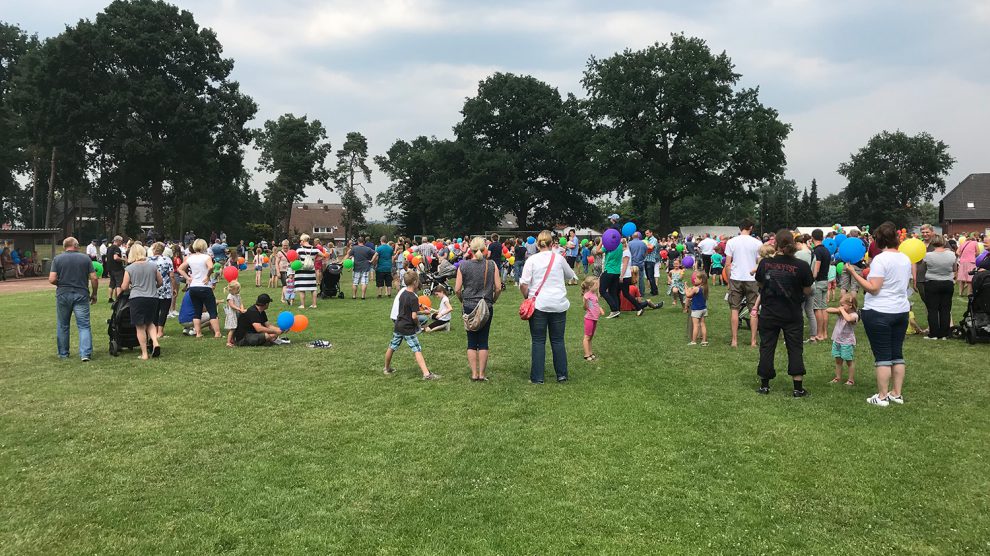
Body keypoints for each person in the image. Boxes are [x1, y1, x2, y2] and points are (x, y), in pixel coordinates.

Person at [846, 221, 912, 407]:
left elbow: (873, 288)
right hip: (900, 310)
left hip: (880, 311)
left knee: (883, 355)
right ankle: (896, 393)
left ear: (878, 240)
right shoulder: (905, 258)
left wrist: (854, 273)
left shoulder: (881, 260)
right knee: (897, 353)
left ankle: (882, 396)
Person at [753, 230, 813, 396]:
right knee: (795, 348)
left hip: (769, 311)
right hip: (792, 312)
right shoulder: (801, 266)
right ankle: (797, 388)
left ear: (776, 244)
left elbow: (759, 283)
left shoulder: (765, 264)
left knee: (767, 346)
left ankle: (765, 385)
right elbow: (807, 290)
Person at [520, 230, 577, 384]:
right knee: (558, 340)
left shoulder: (532, 260)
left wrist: (527, 297)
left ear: (537, 244)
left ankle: (538, 377)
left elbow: (524, 283)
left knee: (538, 341)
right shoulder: (558, 259)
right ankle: (562, 374)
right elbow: (570, 275)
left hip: (538, 304)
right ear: (552, 244)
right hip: (558, 303)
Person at [455, 237, 501, 381]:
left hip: (468, 305)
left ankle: (474, 374)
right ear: (484, 249)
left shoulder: (463, 265)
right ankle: (482, 374)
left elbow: (457, 289)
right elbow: (498, 287)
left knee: (471, 341)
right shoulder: (492, 264)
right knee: (483, 341)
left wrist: (462, 300)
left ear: (471, 249)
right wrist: (492, 299)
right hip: (485, 306)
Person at [49, 237, 99, 361]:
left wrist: (61, 283)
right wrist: (94, 294)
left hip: (63, 294)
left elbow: (51, 279)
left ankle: (63, 353)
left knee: (63, 325)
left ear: (65, 246)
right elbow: (94, 278)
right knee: (84, 325)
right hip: (81, 293)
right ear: (76, 245)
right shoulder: (85, 258)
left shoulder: (57, 259)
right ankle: (85, 353)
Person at [384, 272, 439, 379]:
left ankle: (386, 368)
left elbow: (406, 309)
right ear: (414, 282)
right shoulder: (413, 297)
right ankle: (426, 374)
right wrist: (418, 325)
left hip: (398, 325)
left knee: (392, 346)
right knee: (417, 349)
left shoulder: (402, 293)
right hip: (407, 328)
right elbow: (414, 316)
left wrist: (422, 310)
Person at [120, 243, 164, 360]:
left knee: (140, 326)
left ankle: (144, 353)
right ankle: (155, 342)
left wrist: (132, 286)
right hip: (153, 298)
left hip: (137, 298)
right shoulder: (153, 266)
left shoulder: (129, 268)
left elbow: (124, 287)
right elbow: (160, 282)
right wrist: (152, 286)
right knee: (150, 322)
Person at [725, 219, 763, 347]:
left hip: (736, 277)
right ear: (750, 227)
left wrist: (729, 281)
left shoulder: (731, 242)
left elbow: (728, 264)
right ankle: (753, 341)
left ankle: (734, 340)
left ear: (740, 227)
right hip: (752, 279)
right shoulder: (757, 243)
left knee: (734, 309)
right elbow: (760, 263)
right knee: (753, 310)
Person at [177, 239, 222, 338]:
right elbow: (211, 267)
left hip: (193, 287)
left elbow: (180, 269)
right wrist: (207, 276)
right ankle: (217, 333)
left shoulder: (190, 258)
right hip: (205, 286)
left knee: (197, 311)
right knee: (212, 310)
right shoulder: (206, 257)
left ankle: (198, 333)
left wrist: (188, 278)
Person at [922, 234, 956, 340]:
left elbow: (924, 268)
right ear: (944, 242)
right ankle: (944, 334)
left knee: (932, 309)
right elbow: (954, 268)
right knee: (945, 309)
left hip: (932, 282)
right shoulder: (951, 254)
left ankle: (934, 333)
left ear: (933, 243)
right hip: (947, 282)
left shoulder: (928, 255)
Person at [826, 293, 859, 385]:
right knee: (838, 360)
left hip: (847, 342)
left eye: (842, 305)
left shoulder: (854, 315)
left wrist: (842, 311)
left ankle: (851, 380)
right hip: (837, 340)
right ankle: (838, 377)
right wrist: (839, 309)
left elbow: (848, 319)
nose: (840, 307)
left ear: (850, 305)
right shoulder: (841, 312)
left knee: (849, 361)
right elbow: (828, 310)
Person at [148, 242, 176, 340]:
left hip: (152, 288)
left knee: (154, 311)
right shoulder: (167, 260)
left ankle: (154, 330)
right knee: (164, 311)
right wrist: (174, 288)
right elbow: (171, 275)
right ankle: (160, 331)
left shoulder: (148, 261)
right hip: (165, 288)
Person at [794, 234, 818, 343]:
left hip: (801, 286)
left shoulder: (798, 254)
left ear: (799, 243)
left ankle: (797, 335)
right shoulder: (813, 254)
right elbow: (813, 272)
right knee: (810, 312)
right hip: (812, 285)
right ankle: (813, 336)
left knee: (799, 311)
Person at [810, 229, 832, 342]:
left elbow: (816, 268)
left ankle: (819, 333)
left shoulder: (816, 251)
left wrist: (811, 278)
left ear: (812, 238)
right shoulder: (826, 250)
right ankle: (825, 333)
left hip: (818, 282)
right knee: (824, 308)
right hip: (825, 280)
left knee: (817, 308)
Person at [596, 235, 623, 319]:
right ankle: (616, 310)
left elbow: (597, 251)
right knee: (613, 292)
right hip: (617, 272)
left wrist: (601, 242)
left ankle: (614, 309)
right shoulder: (620, 245)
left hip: (609, 271)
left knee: (602, 290)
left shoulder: (608, 245)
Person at [581, 275, 604, 361]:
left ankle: (590, 352)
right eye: (596, 284)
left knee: (591, 337)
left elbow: (595, 304)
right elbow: (586, 307)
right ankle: (586, 354)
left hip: (595, 319)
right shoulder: (587, 295)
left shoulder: (594, 294)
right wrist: (585, 301)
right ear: (590, 286)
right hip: (589, 319)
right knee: (587, 337)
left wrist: (600, 309)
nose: (598, 286)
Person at [293, 234, 320, 308]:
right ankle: (314, 304)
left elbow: (295, 259)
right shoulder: (315, 249)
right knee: (313, 288)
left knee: (302, 288)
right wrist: (314, 260)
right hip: (311, 270)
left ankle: (302, 305)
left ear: (303, 241)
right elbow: (323, 256)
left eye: (301, 240)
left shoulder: (299, 250)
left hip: (301, 271)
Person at [686, 272, 708, 346]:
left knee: (696, 325)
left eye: (696, 278)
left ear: (701, 280)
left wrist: (686, 287)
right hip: (704, 309)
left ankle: (693, 341)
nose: (694, 279)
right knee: (703, 324)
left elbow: (688, 295)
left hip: (696, 310)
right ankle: (704, 341)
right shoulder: (705, 288)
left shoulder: (696, 288)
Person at [224, 281, 246, 347]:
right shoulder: (230, 296)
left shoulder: (238, 295)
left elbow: (241, 303)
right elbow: (232, 305)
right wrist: (239, 309)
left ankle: (233, 340)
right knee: (232, 328)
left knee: (236, 327)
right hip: (232, 314)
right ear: (233, 289)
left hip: (237, 313)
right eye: (237, 289)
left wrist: (242, 309)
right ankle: (228, 342)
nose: (239, 290)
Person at [105, 236, 126, 302]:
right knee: (119, 284)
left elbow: (106, 259)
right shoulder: (116, 248)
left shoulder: (109, 248)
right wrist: (123, 259)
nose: (121, 243)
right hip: (117, 268)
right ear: (118, 241)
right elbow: (116, 257)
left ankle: (110, 298)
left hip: (110, 268)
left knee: (112, 283)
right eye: (121, 241)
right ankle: (118, 299)